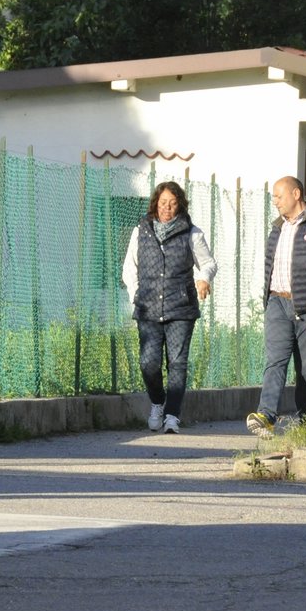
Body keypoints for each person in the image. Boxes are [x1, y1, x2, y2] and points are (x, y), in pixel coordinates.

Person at [120, 181, 217, 433]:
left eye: (172, 204)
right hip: (148, 307)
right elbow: (129, 268)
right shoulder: (141, 230)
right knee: (148, 362)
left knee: (177, 362)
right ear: (155, 203)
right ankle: (157, 403)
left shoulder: (192, 233)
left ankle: (172, 415)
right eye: (163, 203)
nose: (167, 208)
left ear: (180, 206)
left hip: (181, 308)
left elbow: (208, 263)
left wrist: (204, 278)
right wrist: (135, 295)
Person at [246, 176, 306, 437]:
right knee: (275, 361)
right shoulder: (277, 227)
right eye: (273, 197)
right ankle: (266, 416)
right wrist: (268, 298)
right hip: (277, 303)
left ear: (296, 194)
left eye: (279, 196)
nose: (275, 202)